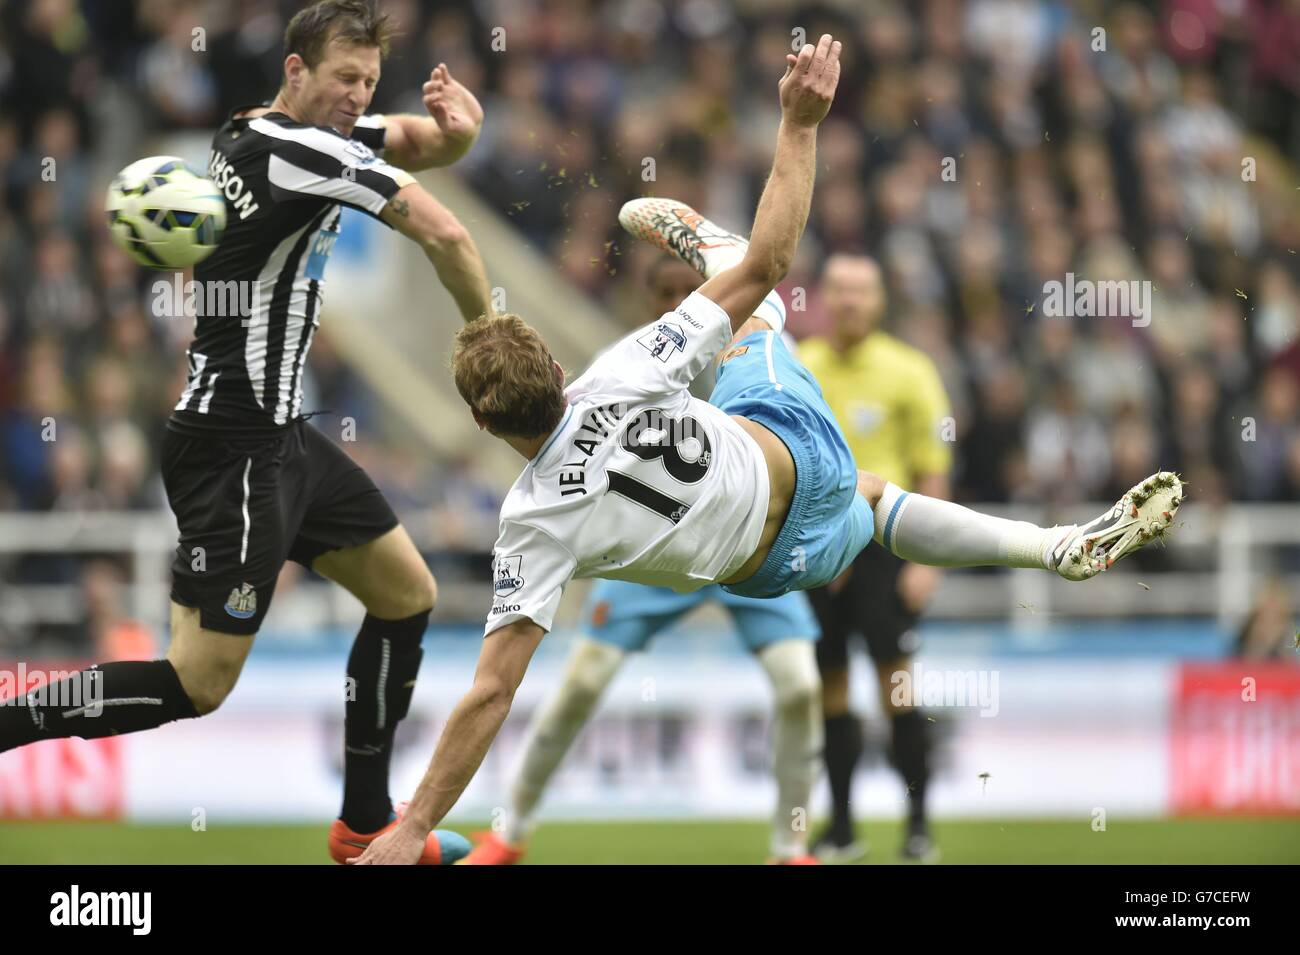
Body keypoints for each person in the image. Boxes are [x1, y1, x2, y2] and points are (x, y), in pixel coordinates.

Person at [353, 34, 1182, 864]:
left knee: (873, 500)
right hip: (794, 451)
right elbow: (775, 260)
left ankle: (524, 834)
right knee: (760, 305)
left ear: (486, 425)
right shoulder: (621, 370)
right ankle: (1053, 544)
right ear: (560, 371)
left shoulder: (529, 524)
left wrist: (416, 822)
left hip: (779, 565)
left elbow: (491, 691)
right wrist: (799, 126)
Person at [0, 0, 494, 865]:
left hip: (281, 438)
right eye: (345, 79)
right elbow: (444, 230)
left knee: (406, 593)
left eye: (369, 82)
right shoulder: (303, 154)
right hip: (229, 444)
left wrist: (459, 132)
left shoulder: (253, 131)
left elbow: (416, 145)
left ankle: (364, 825)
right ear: (295, 70)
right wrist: (491, 334)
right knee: (196, 684)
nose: (358, 96)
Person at [463, 255, 823, 866]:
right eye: (669, 292)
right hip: (658, 554)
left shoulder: (756, 343)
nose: (683, 297)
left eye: (691, 287)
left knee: (799, 688)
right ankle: (510, 831)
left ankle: (791, 849)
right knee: (581, 683)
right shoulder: (645, 359)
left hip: (751, 534)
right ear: (654, 299)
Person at [799, 254, 952, 863]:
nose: (851, 301)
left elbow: (932, 472)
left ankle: (917, 828)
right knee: (831, 688)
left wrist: (928, 561)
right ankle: (843, 830)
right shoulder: (800, 366)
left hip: (886, 551)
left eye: (862, 290)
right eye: (840, 290)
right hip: (815, 551)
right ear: (824, 297)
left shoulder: (909, 371)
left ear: (880, 300)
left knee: (897, 687)